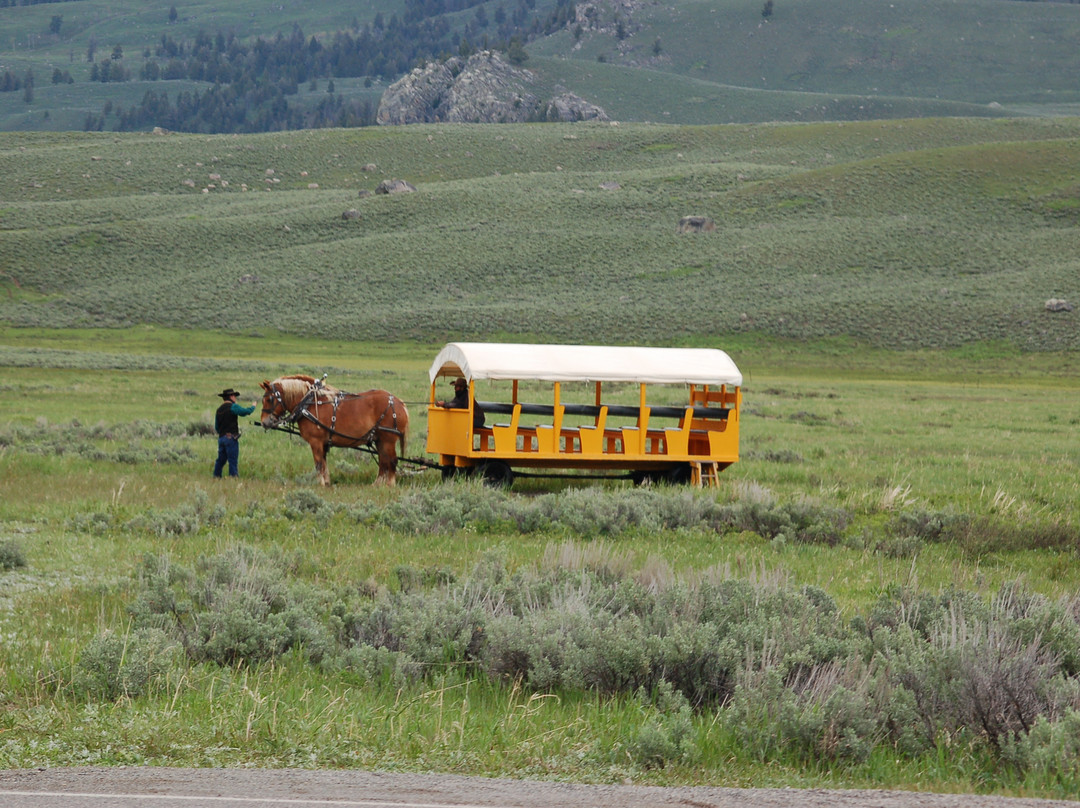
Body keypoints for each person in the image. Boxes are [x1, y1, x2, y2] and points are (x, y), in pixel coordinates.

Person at [213, 388, 256, 478]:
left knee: (220, 460)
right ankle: (233, 477)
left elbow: (217, 427)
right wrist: (253, 407)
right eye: (234, 396)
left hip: (221, 438)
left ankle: (216, 476)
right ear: (231, 396)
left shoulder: (219, 409)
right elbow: (244, 412)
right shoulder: (233, 407)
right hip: (230, 438)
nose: (235, 398)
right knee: (232, 460)